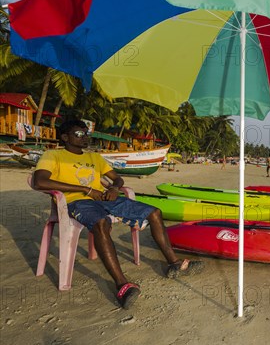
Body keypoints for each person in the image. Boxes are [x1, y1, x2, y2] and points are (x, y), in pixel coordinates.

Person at [32, 119, 203, 309]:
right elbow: (40, 181)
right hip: (76, 202)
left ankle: (174, 263)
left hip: (104, 198)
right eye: (79, 134)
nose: (85, 137)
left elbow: (117, 178)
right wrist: (85, 190)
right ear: (65, 137)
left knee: (154, 212)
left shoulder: (94, 158)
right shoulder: (53, 155)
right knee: (101, 223)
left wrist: (114, 188)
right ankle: (122, 285)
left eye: (86, 133)